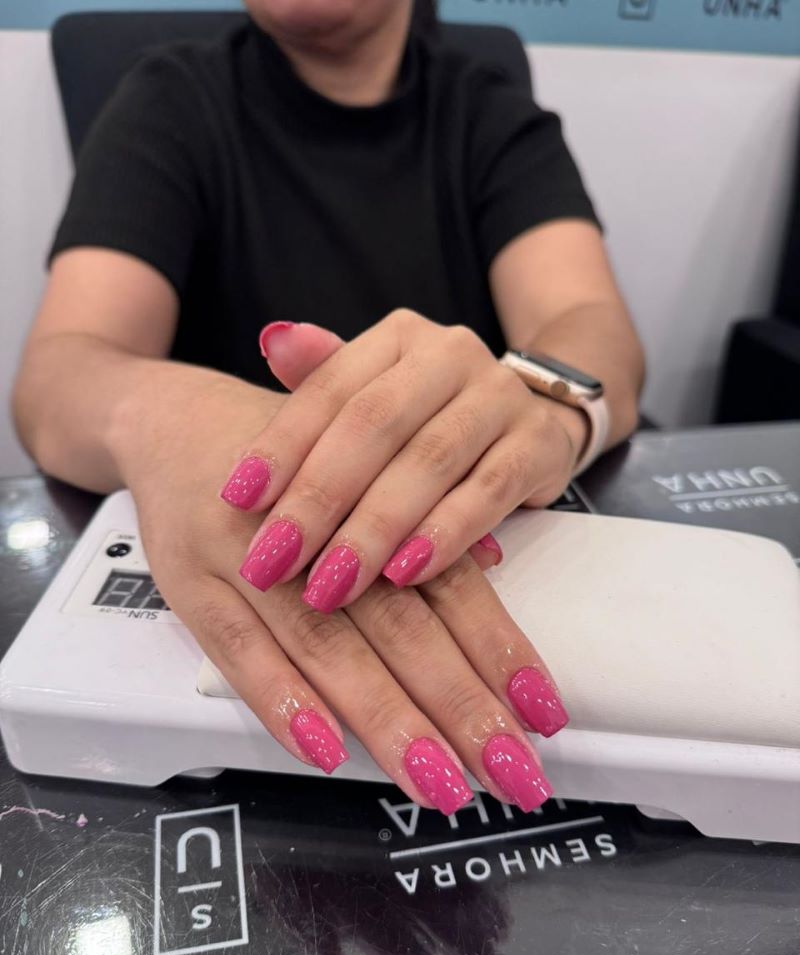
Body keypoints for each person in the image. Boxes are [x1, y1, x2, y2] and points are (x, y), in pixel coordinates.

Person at [12, 0, 644, 817]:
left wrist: (534, 411)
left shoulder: (487, 110)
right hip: (227, 611)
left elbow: (591, 324)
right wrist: (169, 414)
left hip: (473, 560)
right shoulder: (169, 98)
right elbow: (59, 372)